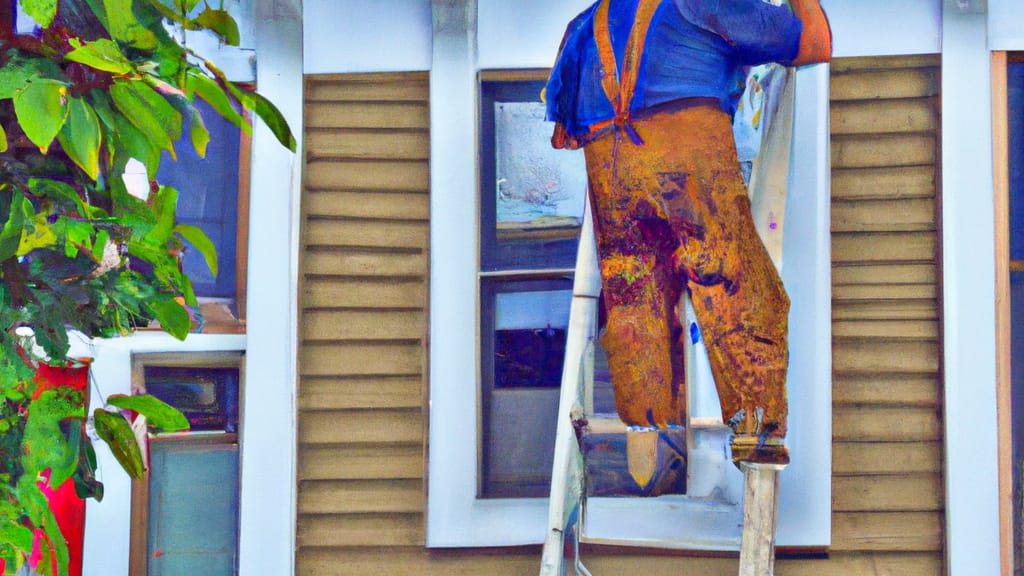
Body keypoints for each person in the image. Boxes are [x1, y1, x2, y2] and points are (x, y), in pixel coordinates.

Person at [546, 0, 831, 465]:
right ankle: (756, 428)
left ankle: (647, 442)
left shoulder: (582, 26)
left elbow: (565, 133)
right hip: (685, 151)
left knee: (636, 298)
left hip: (610, 167)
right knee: (732, 282)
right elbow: (815, 43)